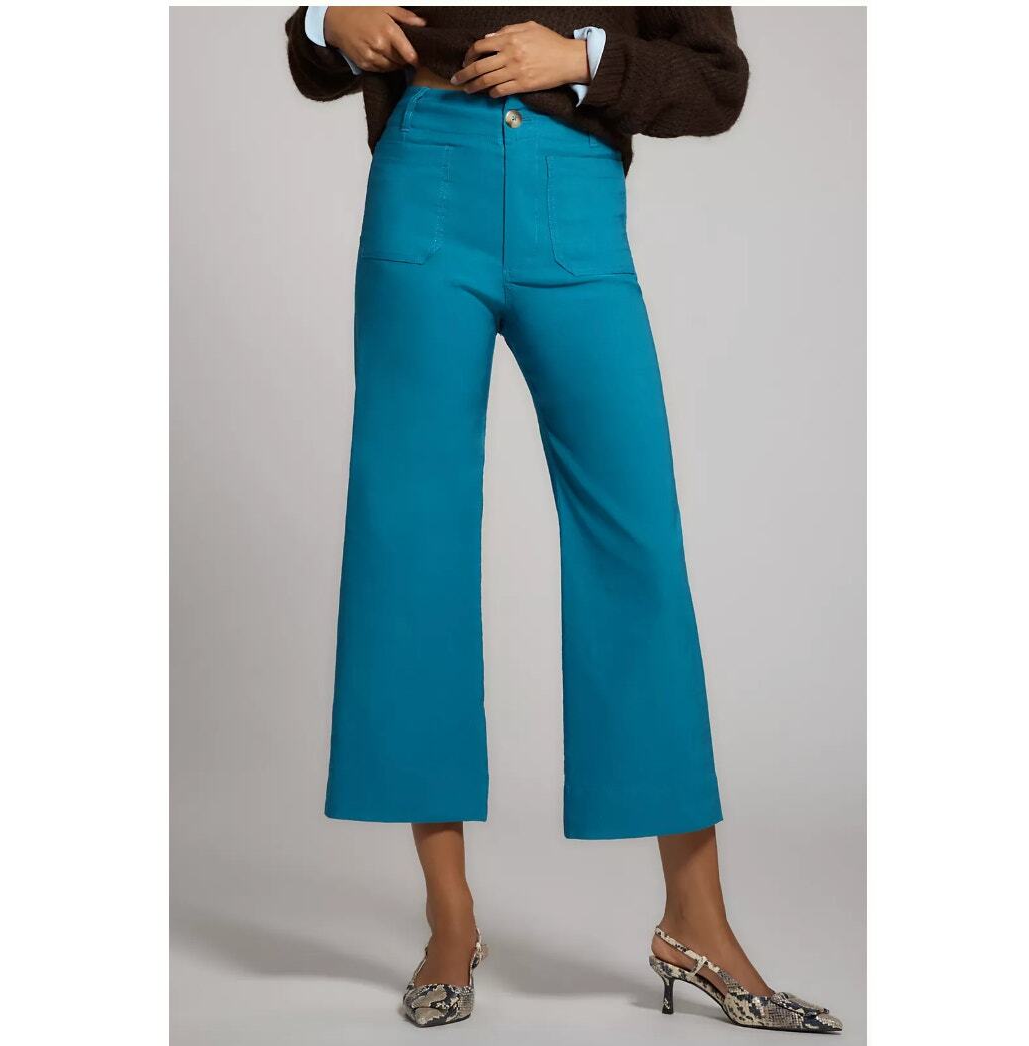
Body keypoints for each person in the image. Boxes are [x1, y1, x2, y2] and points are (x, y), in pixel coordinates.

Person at [285, 6, 842, 1032]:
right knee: (411, 546)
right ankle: (449, 918)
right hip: (425, 181)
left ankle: (695, 919)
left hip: (573, 190)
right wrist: (328, 18)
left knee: (637, 546)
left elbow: (715, 81)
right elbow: (312, 53)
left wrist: (583, 56)